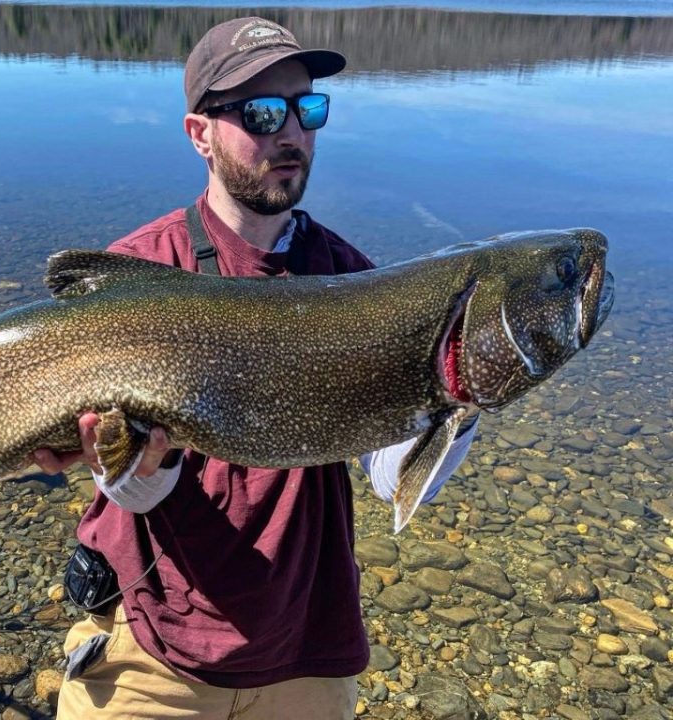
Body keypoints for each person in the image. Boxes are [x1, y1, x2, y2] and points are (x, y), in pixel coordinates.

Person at [33, 16, 478, 719]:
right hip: (151, 650)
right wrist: (136, 471)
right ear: (199, 134)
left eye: (308, 109)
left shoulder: (351, 279)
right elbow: (121, 485)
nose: (291, 134)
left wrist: (463, 388)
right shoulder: (143, 273)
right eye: (262, 113)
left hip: (306, 649)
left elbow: (390, 475)